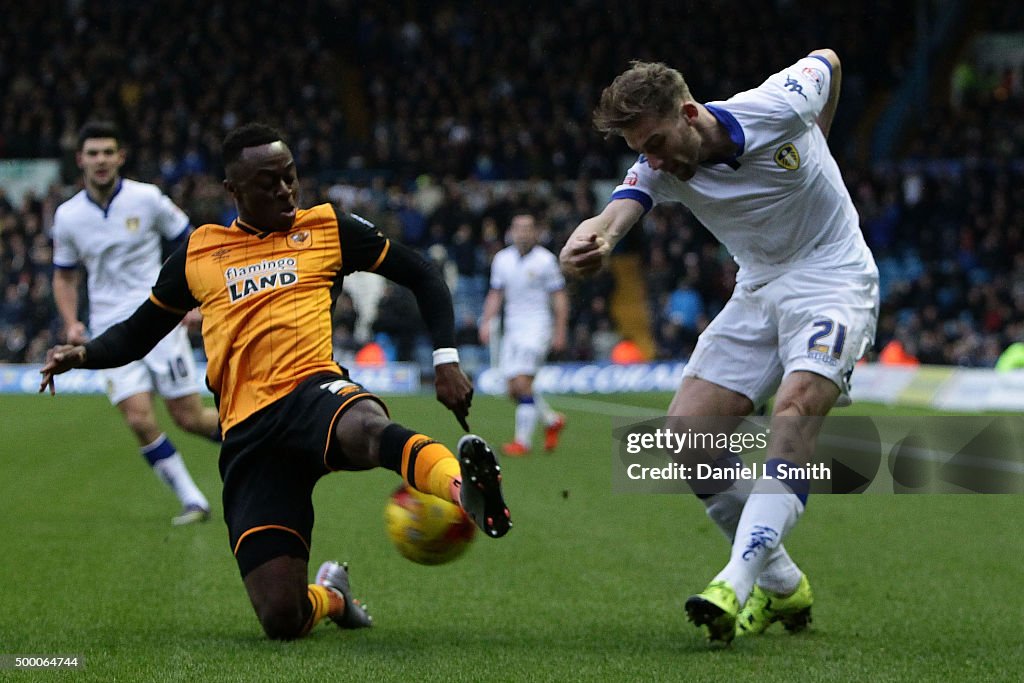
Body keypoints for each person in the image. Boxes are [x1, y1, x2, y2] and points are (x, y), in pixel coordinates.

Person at [41, 123, 512, 640]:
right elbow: (137, 334)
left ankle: (464, 491)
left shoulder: (327, 228)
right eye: (269, 184)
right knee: (281, 619)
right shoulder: (200, 252)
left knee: (369, 427)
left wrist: (446, 359)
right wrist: (81, 354)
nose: (286, 191)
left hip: (312, 392)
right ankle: (332, 595)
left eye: (291, 177)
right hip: (248, 435)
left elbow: (421, 272)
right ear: (234, 191)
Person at [561, 50, 878, 643]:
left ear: (688, 112)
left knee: (795, 411)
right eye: (640, 150)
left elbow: (831, 61)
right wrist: (591, 243)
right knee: (686, 438)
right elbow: (616, 214)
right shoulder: (656, 166)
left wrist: (821, 136)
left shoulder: (778, 105)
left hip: (833, 276)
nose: (651, 159)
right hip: (758, 283)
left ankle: (737, 580)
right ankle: (784, 586)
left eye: (656, 141)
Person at [51, 121, 219, 526]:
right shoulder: (68, 216)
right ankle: (193, 500)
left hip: (160, 320)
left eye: (108, 152)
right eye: (92, 153)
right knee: (139, 418)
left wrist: (197, 299)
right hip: (111, 331)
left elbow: (194, 243)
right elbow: (65, 275)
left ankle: (261, 438)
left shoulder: (147, 199)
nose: (101, 160)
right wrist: (72, 322)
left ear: (121, 156)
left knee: (190, 418)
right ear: (80, 160)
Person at [479, 213, 569, 456]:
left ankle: (522, 442)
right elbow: (495, 294)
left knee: (522, 382)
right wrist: (486, 322)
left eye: (528, 229)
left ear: (536, 232)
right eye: (519, 228)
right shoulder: (502, 259)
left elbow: (558, 296)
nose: (523, 233)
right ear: (511, 231)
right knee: (512, 389)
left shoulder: (546, 260)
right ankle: (551, 420)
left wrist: (560, 330)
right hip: (512, 329)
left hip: (537, 327)